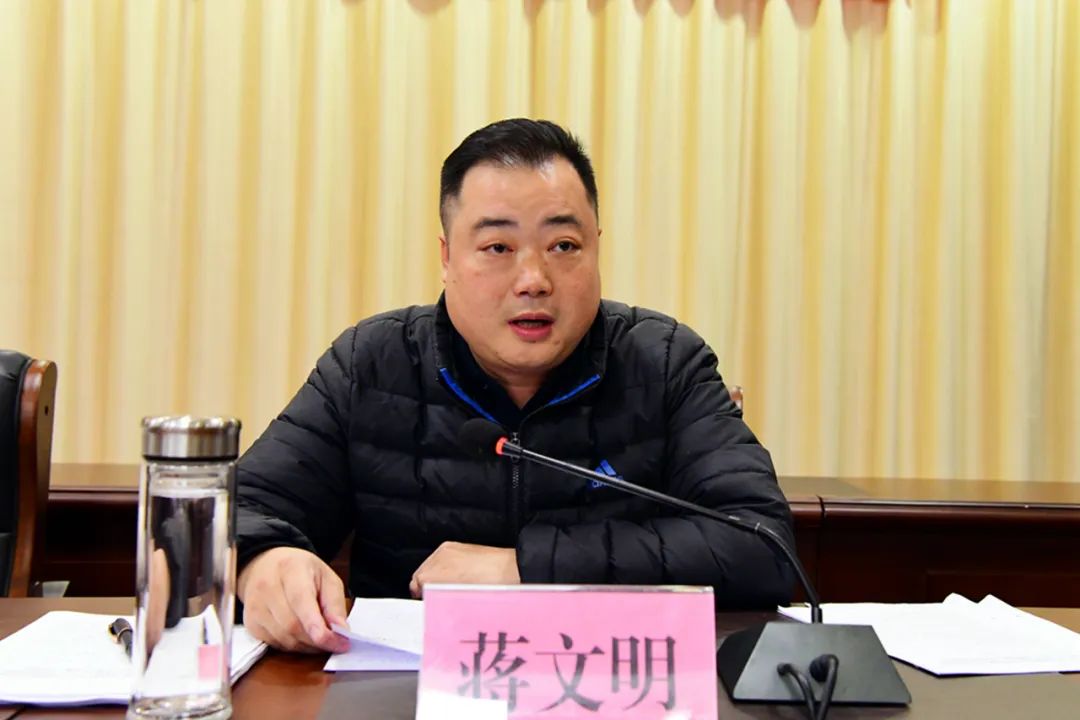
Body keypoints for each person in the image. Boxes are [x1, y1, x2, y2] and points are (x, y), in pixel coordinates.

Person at [234, 118, 795, 653]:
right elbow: (244, 509)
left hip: (610, 685)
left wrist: (525, 567)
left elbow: (761, 545)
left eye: (563, 246)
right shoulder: (372, 364)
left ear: (597, 248)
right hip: (405, 689)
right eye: (498, 248)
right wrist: (262, 562)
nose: (533, 280)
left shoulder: (665, 362)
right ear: (447, 257)